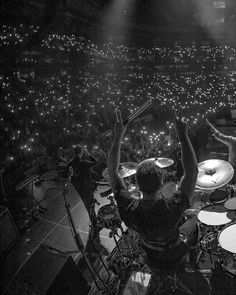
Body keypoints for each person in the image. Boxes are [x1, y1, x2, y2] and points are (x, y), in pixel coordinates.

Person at [108, 108, 198, 270]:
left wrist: (117, 137)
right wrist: (183, 135)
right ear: (161, 182)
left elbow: (113, 172)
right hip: (174, 257)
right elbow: (192, 172)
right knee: (194, 218)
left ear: (137, 183)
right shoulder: (172, 208)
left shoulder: (129, 209)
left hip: (150, 254)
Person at [67, 145, 102, 254]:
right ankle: (95, 226)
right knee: (91, 206)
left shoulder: (70, 163)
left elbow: (70, 175)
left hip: (80, 189)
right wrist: (89, 154)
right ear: (81, 152)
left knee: (89, 206)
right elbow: (95, 162)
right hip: (86, 188)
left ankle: (95, 223)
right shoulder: (82, 163)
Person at [206, 119, 236, 183]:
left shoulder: (232, 141)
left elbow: (218, 135)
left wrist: (209, 124)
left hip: (232, 170)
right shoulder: (232, 141)